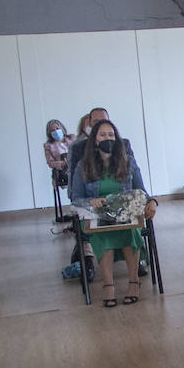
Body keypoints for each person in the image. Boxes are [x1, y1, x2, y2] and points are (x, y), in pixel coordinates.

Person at [69, 119, 157, 306]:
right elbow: (75, 198)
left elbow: (141, 191)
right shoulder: (82, 166)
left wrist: (152, 202)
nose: (107, 138)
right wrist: (91, 201)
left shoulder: (128, 162)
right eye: (103, 135)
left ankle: (134, 282)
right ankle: (108, 286)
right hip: (99, 215)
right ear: (95, 140)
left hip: (126, 214)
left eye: (111, 135)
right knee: (103, 236)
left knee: (130, 232)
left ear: (116, 139)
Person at [44, 118, 70, 187]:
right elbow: (50, 163)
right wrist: (63, 163)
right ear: (49, 133)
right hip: (62, 170)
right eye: (52, 130)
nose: (56, 131)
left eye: (57, 128)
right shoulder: (48, 145)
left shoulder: (71, 138)